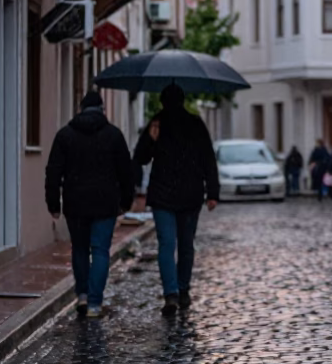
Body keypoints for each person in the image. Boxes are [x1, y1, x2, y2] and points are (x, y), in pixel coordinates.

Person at [45, 91, 134, 318]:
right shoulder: (114, 135)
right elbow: (126, 172)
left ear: (80, 108)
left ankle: (82, 295)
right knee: (101, 250)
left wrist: (53, 203)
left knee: (80, 249)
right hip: (105, 202)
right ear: (102, 109)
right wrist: (126, 201)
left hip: (76, 203)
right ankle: (95, 303)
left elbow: (53, 171)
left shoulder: (65, 136)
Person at [134, 84, 219, 316]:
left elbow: (140, 157)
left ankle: (171, 293)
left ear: (162, 101)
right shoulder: (195, 123)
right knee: (185, 245)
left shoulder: (156, 123)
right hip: (190, 193)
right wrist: (213, 192)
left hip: (163, 194)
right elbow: (208, 159)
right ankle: (182, 290)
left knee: (167, 244)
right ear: (183, 100)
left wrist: (151, 140)